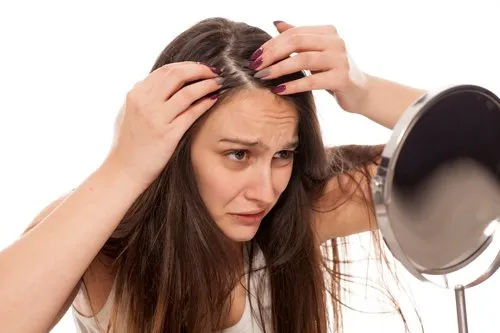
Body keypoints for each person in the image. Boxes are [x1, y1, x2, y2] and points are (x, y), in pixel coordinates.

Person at [0, 17, 425, 333]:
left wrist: (365, 90)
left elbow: (486, 165)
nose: (264, 191)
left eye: (282, 155)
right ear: (176, 147)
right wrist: (126, 165)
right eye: (238, 154)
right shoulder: (106, 240)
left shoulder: (301, 210)